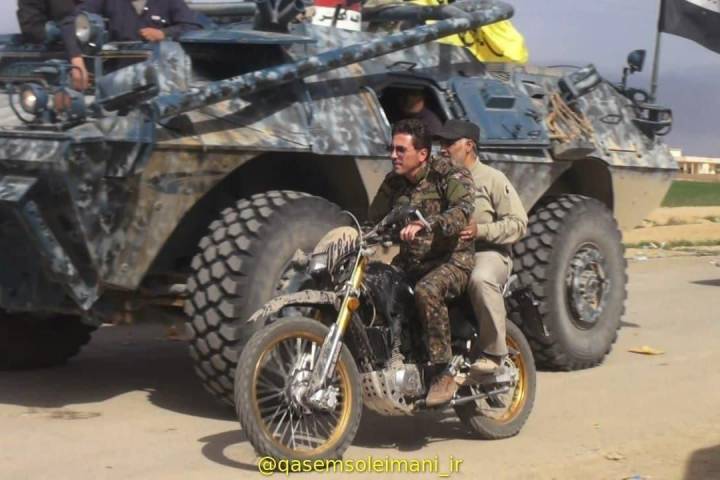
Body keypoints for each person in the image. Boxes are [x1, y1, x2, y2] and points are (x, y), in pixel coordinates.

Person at [369, 119, 475, 407]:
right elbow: (372, 220)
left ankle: (443, 372)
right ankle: (395, 356)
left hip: (452, 260)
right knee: (375, 285)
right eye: (392, 149)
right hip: (412, 259)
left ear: (423, 154)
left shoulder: (448, 173)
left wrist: (427, 225)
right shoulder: (393, 182)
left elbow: (463, 211)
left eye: (401, 150)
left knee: (428, 290)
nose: (393, 155)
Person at [435, 119, 527, 376]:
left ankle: (494, 353)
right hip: (450, 255)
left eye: (449, 143)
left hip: (488, 252)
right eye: (441, 143)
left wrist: (481, 230)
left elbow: (519, 224)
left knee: (480, 279)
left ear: (469, 146)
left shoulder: (492, 179)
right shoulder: (439, 181)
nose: (442, 148)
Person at [60, 0, 202, 90]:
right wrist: (76, 59)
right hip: (117, 81)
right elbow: (70, 21)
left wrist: (164, 33)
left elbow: (193, 27)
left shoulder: (169, 2)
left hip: (161, 83)